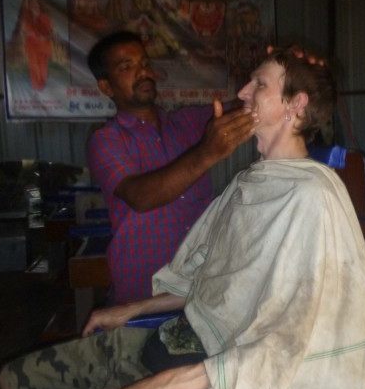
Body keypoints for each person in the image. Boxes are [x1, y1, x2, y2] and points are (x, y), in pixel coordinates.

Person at [0, 47, 365, 389]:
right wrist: (134, 308)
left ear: (296, 106)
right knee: (14, 381)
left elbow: (291, 340)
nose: (241, 93)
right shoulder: (250, 183)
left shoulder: (312, 199)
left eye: (258, 84)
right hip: (172, 340)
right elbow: (213, 282)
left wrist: (174, 386)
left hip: (210, 384)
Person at [86, 31, 256, 304]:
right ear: (106, 87)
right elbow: (141, 197)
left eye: (144, 63)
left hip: (199, 285)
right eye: (126, 67)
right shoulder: (106, 140)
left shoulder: (187, 122)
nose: (142, 72)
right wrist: (206, 153)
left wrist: (283, 70)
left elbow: (245, 106)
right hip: (142, 291)